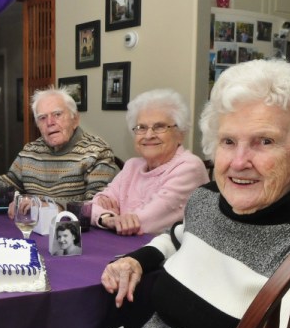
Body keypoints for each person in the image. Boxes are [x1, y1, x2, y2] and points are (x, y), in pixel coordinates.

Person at [0, 59, 290, 328]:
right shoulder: (208, 200)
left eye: (265, 141)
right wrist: (137, 260)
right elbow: (176, 235)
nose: (238, 161)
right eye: (228, 141)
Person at [0, 87, 118, 217]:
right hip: (31, 228)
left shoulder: (97, 152)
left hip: (73, 235)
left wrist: (48, 207)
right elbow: (8, 183)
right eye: (42, 118)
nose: (50, 122)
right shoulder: (30, 151)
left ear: (75, 119)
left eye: (57, 114)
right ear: (37, 125)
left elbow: (96, 205)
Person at [90, 89, 210, 235]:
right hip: (128, 249)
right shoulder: (132, 166)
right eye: (141, 127)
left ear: (180, 134)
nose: (149, 135)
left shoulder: (189, 168)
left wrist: (117, 219)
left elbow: (146, 223)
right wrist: (107, 218)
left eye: (159, 127)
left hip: (169, 254)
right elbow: (91, 207)